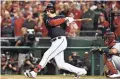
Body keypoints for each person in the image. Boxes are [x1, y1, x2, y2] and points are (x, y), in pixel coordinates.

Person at [24, 3, 87, 78]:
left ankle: (35, 72)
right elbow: (53, 23)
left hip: (60, 40)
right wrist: (65, 19)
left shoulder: (62, 16)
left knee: (47, 54)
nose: (46, 12)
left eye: (47, 11)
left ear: (50, 10)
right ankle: (80, 71)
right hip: (54, 42)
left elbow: (68, 29)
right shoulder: (47, 19)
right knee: (61, 64)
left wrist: (69, 22)